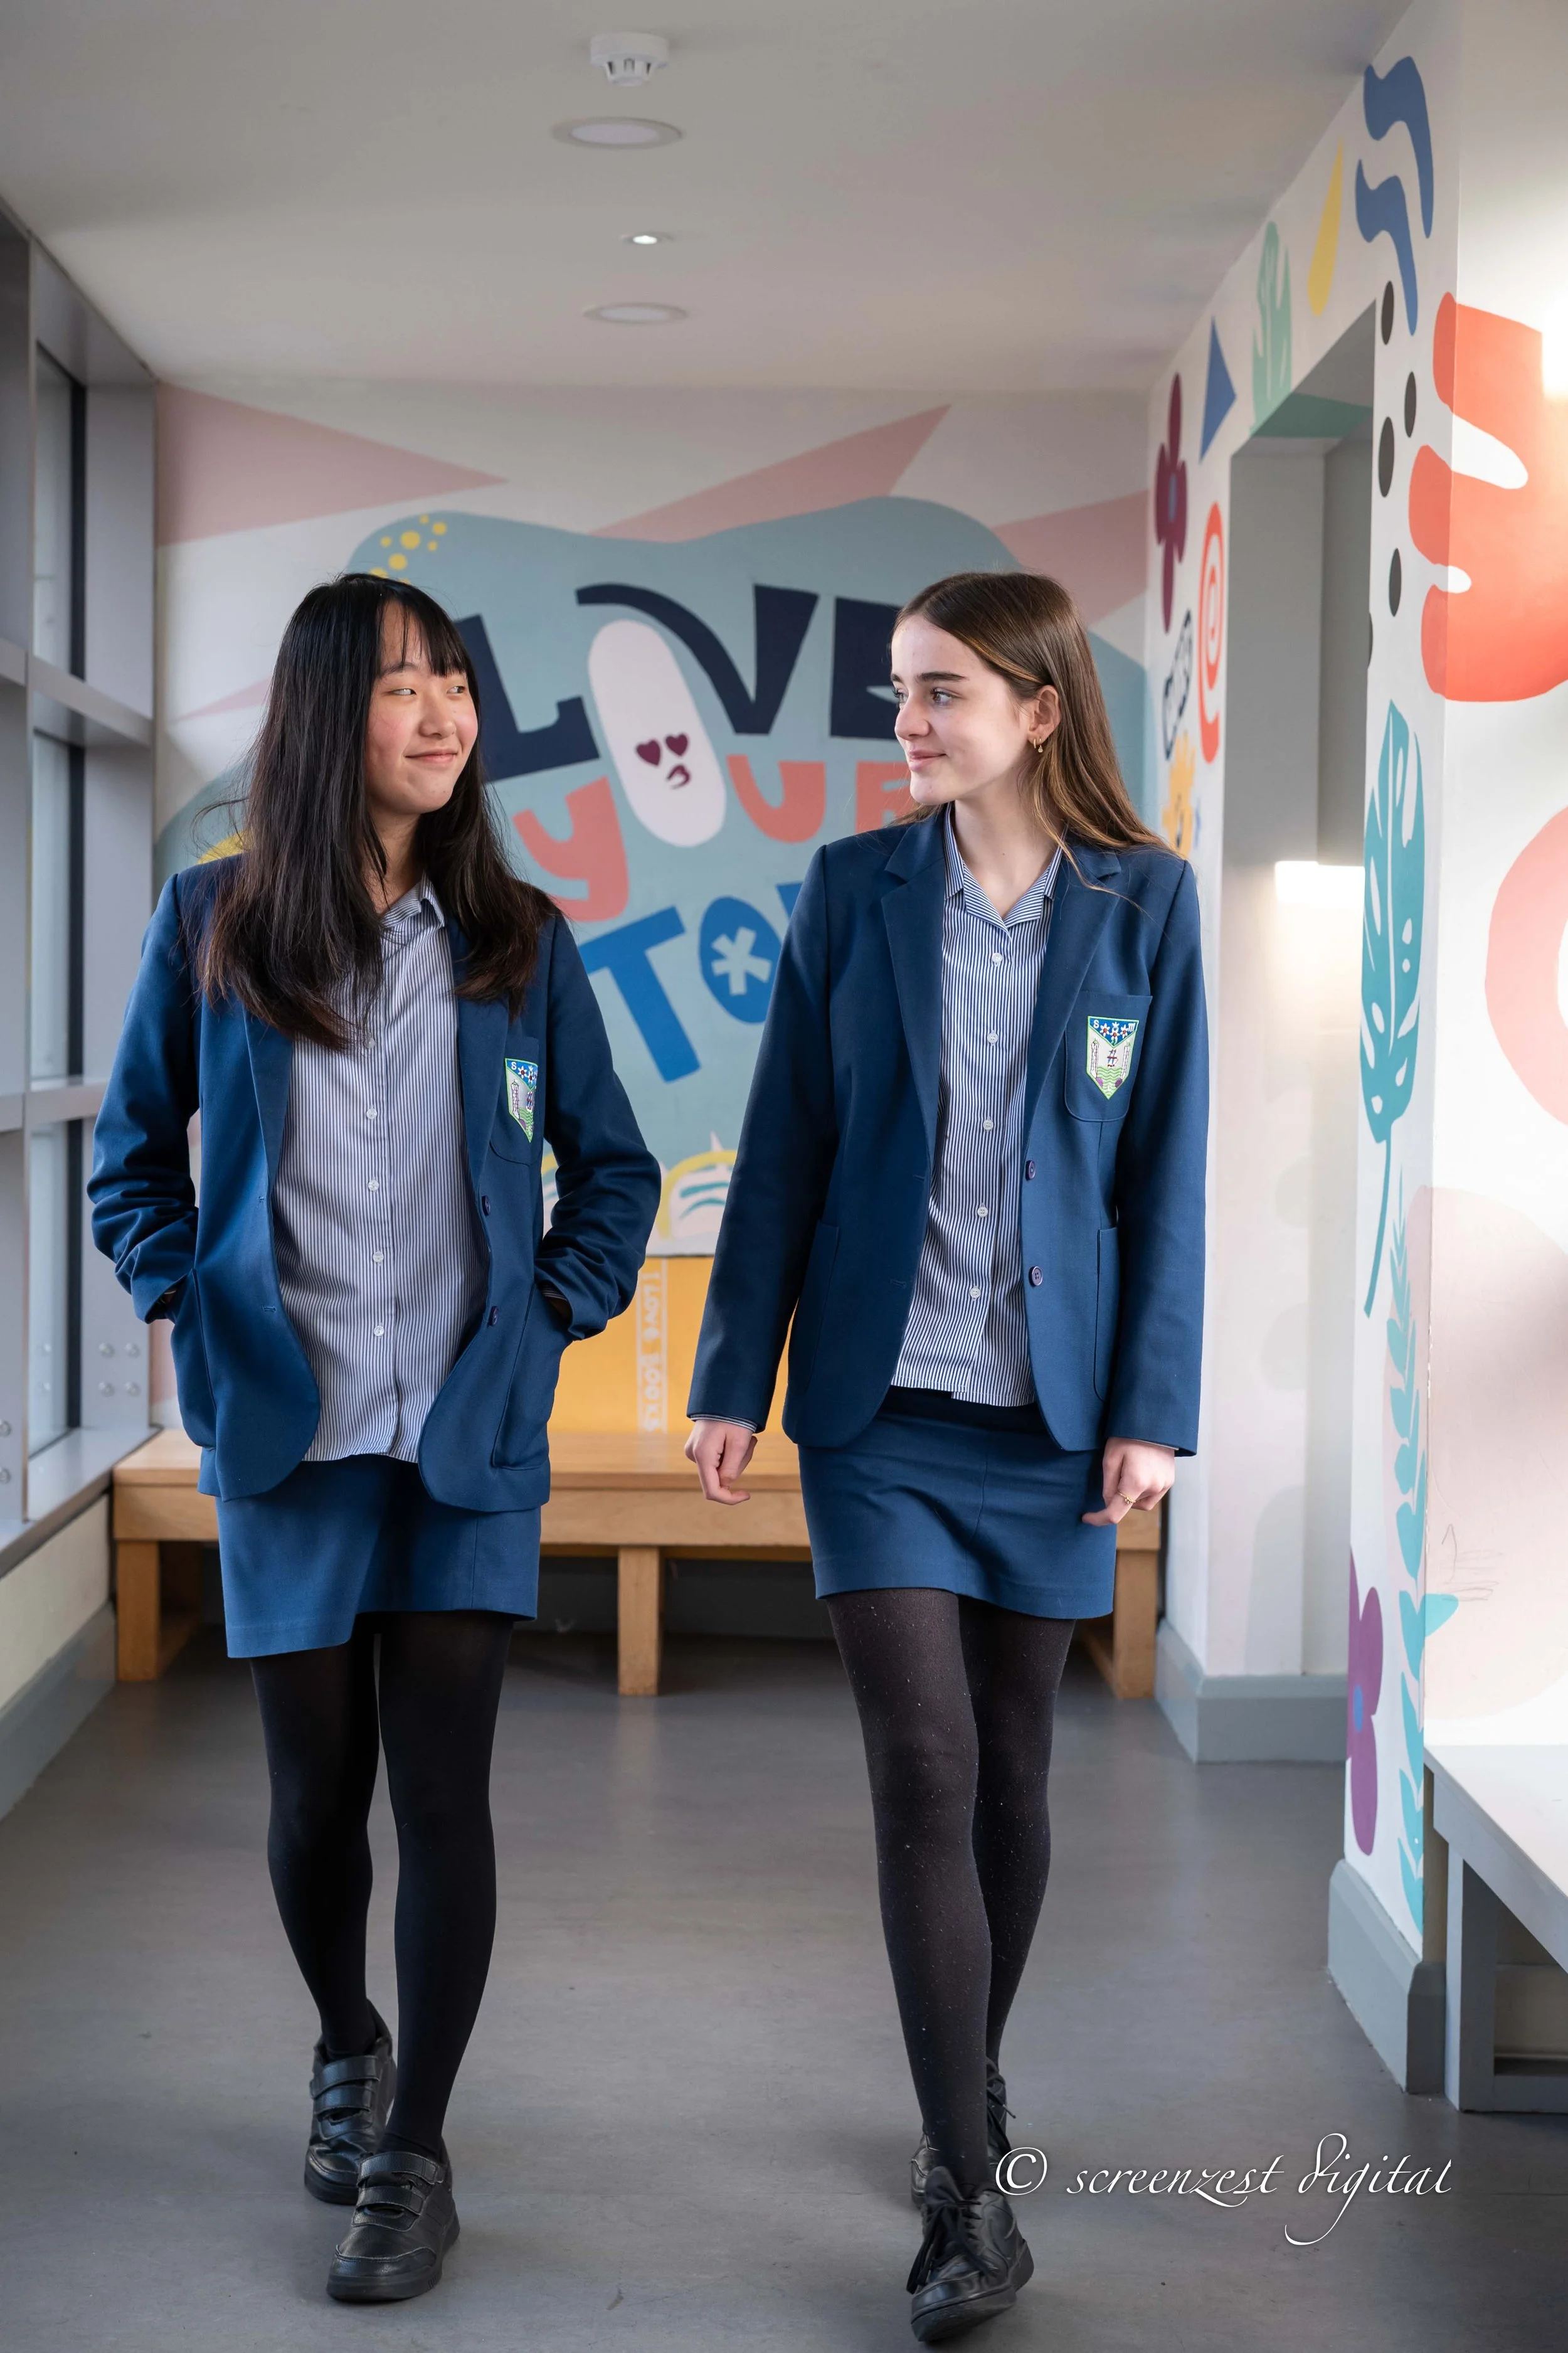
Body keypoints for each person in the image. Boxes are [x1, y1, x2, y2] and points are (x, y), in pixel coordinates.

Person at [90, 575, 660, 2305]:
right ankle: (345, 2029)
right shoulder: (214, 924)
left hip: (464, 1427)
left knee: (446, 1789)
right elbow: (131, 1162)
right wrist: (198, 1304)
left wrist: (546, 1316)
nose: (441, 716)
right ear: (326, 712)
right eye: (402, 686)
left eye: (456, 688)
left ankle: (413, 2151)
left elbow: (611, 1169)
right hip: (292, 1427)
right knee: (313, 1794)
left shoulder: (518, 939)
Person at [686, 571, 1207, 2343]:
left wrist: (1154, 1404)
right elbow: (784, 1148)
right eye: (899, 692)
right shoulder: (852, 890)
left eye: (939, 692)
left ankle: (964, 2076)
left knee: (1010, 1778)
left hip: (1053, 1411)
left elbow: (1166, 1179)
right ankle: (964, 2190)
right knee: (919, 1766)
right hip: (877, 1408)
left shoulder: (1148, 905)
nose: (905, 721)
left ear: (1038, 709)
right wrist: (726, 1373)